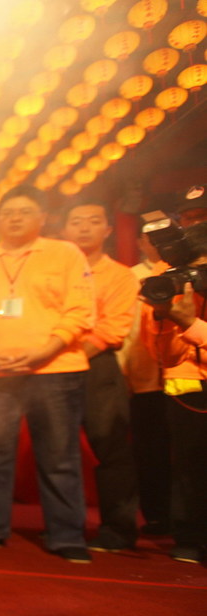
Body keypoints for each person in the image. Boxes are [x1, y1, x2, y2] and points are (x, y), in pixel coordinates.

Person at [0, 185, 95, 564]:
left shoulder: (64, 253)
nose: (14, 218)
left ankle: (66, 534)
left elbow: (81, 310)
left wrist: (45, 349)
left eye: (23, 211)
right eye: (7, 212)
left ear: (43, 218)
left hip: (54, 368)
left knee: (59, 454)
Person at [59, 200, 139, 552]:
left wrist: (64, 353)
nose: (84, 228)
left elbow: (113, 329)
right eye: (76, 222)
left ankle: (118, 530)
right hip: (54, 367)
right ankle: (65, 529)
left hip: (97, 367)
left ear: (108, 229)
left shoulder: (121, 275)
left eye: (94, 221)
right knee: (58, 453)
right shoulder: (54, 272)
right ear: (64, 230)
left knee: (111, 448)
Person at [140, 212, 207, 564]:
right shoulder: (178, 294)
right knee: (186, 468)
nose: (195, 278)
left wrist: (192, 324)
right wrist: (166, 316)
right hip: (186, 389)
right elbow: (165, 355)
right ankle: (188, 535)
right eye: (191, 270)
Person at [117, 222, 172, 535]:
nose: (160, 243)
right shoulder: (132, 276)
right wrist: (122, 373)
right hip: (145, 379)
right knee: (149, 451)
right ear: (140, 242)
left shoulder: (192, 271)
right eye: (152, 238)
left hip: (190, 376)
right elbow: (126, 333)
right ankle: (157, 516)